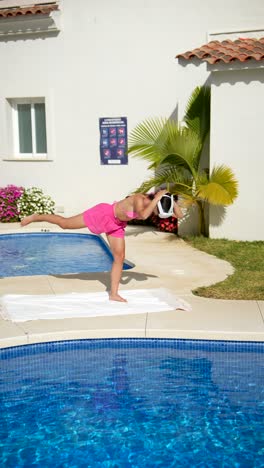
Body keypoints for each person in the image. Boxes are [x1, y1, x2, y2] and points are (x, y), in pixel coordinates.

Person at [21, 190, 183, 302]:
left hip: (117, 225)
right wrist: (158, 197)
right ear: (155, 202)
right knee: (65, 224)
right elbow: (142, 215)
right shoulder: (138, 199)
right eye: (156, 210)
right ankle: (36, 217)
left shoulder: (156, 204)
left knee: (119, 258)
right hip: (103, 214)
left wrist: (172, 200)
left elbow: (179, 215)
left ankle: (113, 294)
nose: (155, 215)